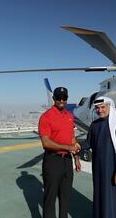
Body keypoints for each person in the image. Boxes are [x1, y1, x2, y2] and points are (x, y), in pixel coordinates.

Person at [76, 96, 116, 218]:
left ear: (110, 107)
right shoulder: (94, 125)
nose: (100, 110)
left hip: (115, 170)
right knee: (102, 195)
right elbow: (89, 143)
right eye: (97, 108)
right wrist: (77, 146)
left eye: (103, 107)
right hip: (99, 170)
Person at [38, 86, 81, 218]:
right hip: (52, 161)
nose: (61, 100)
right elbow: (46, 142)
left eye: (64, 98)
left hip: (67, 162)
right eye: (58, 98)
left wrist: (76, 158)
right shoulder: (46, 117)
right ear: (54, 99)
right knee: (50, 199)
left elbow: (71, 138)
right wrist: (68, 148)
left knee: (66, 198)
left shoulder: (69, 116)